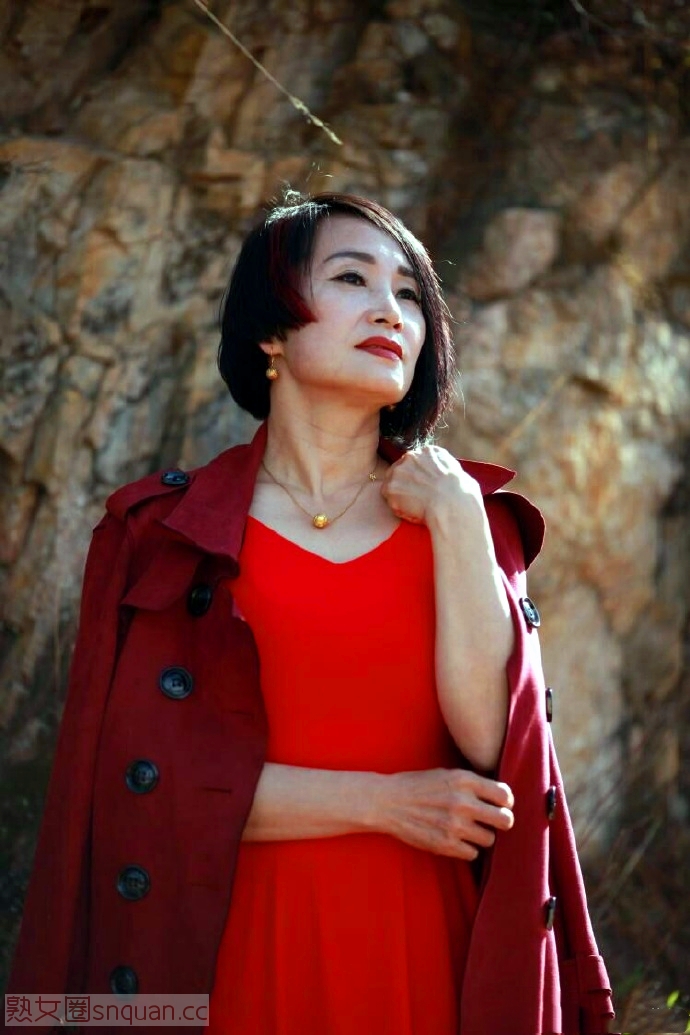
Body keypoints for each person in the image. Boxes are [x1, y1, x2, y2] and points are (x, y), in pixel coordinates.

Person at [6, 192, 614, 1035]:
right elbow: (143, 790)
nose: (389, 310)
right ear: (270, 329)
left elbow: (490, 746)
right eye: (352, 278)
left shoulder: (473, 523)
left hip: (421, 961)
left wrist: (457, 516)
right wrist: (383, 802)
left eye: (409, 293)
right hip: (221, 956)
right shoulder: (162, 536)